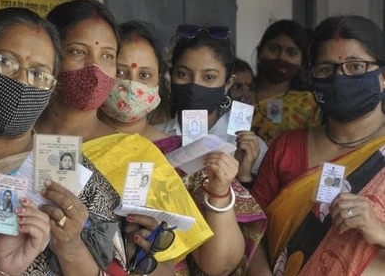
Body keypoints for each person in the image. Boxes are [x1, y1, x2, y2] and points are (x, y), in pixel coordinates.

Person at [36, 0, 212, 275]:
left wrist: (139, 256)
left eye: (107, 56)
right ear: (51, 56)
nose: (94, 69)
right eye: (77, 51)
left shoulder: (138, 155)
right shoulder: (14, 141)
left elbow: (169, 270)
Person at [100, 20, 266, 275]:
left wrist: (220, 191)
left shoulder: (182, 154)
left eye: (144, 75)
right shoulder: (76, 146)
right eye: (120, 73)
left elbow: (221, 265)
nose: (131, 86)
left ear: (158, 80)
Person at [0, 7, 81, 275]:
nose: (22, 81)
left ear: (51, 90)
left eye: (39, 74)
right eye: (5, 62)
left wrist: (71, 247)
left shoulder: (71, 182)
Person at [249, 15, 385, 276]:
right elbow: (252, 230)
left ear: (383, 76)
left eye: (355, 67)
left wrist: (378, 230)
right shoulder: (286, 147)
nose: (340, 78)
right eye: (326, 69)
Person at [156, 23, 268, 189]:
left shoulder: (250, 148)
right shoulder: (153, 138)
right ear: (171, 76)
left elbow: (261, 213)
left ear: (227, 83)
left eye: (209, 77)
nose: (194, 85)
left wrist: (244, 176)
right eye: (184, 74)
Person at [251, 19, 322, 145]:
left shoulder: (308, 104)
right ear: (260, 51)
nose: (282, 57)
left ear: (302, 61)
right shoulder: (240, 94)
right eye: (273, 49)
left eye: (291, 53)